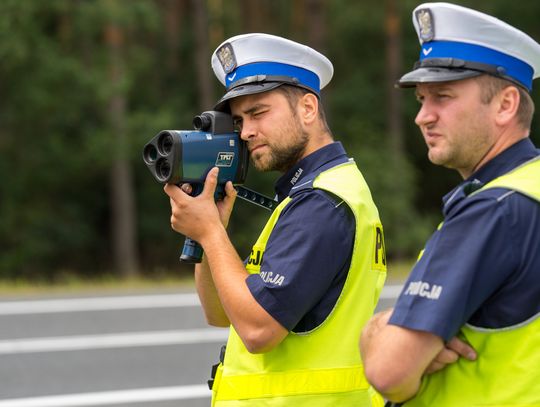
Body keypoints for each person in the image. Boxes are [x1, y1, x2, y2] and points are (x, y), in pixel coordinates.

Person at [164, 33, 387, 406]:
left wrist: (210, 233)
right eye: (238, 121)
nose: (247, 132)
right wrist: (211, 232)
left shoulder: (321, 201)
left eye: (259, 113)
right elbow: (221, 313)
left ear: (308, 109)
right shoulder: (313, 192)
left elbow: (257, 329)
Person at [360, 2, 540, 405]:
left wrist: (375, 330)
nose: (422, 117)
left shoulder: (495, 208)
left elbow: (389, 372)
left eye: (442, 96)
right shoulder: (531, 190)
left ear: (506, 105)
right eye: (422, 99)